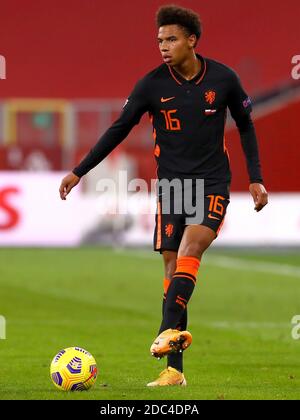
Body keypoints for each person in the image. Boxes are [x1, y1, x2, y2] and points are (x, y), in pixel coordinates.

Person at [59, 5, 268, 387]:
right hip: (172, 187)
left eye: (171, 39)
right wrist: (79, 171)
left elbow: (246, 124)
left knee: (191, 250)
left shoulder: (224, 79)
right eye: (159, 40)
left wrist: (255, 178)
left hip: (211, 184)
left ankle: (165, 332)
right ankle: (174, 371)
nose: (163, 46)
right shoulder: (151, 85)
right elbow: (118, 130)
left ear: (192, 40)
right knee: (172, 271)